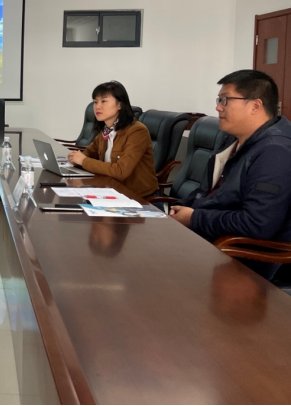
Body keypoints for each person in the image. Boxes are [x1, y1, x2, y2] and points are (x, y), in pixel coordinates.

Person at [170, 70, 291, 280]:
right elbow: (207, 192)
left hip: (244, 260)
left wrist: (194, 218)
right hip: (209, 241)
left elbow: (256, 224)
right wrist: (174, 210)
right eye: (219, 100)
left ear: (255, 106)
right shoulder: (232, 140)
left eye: (225, 100)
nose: (218, 107)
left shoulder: (274, 152)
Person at [68, 81, 158, 199]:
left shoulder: (137, 131)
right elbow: (89, 153)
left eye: (104, 101)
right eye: (95, 102)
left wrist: (84, 161)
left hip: (137, 198)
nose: (97, 106)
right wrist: (76, 159)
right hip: (110, 190)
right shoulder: (106, 129)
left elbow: (121, 171)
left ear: (119, 105)